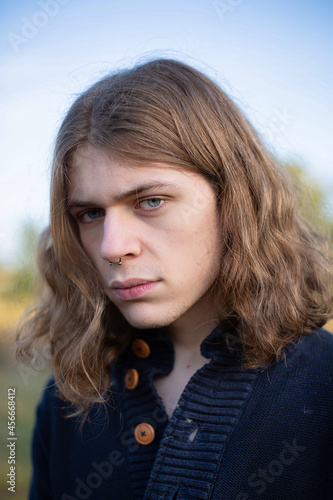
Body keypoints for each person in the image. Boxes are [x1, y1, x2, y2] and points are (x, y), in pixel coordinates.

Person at [17, 58, 333, 500]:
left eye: (150, 201)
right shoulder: (70, 400)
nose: (112, 247)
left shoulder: (324, 387)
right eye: (90, 214)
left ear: (234, 198)